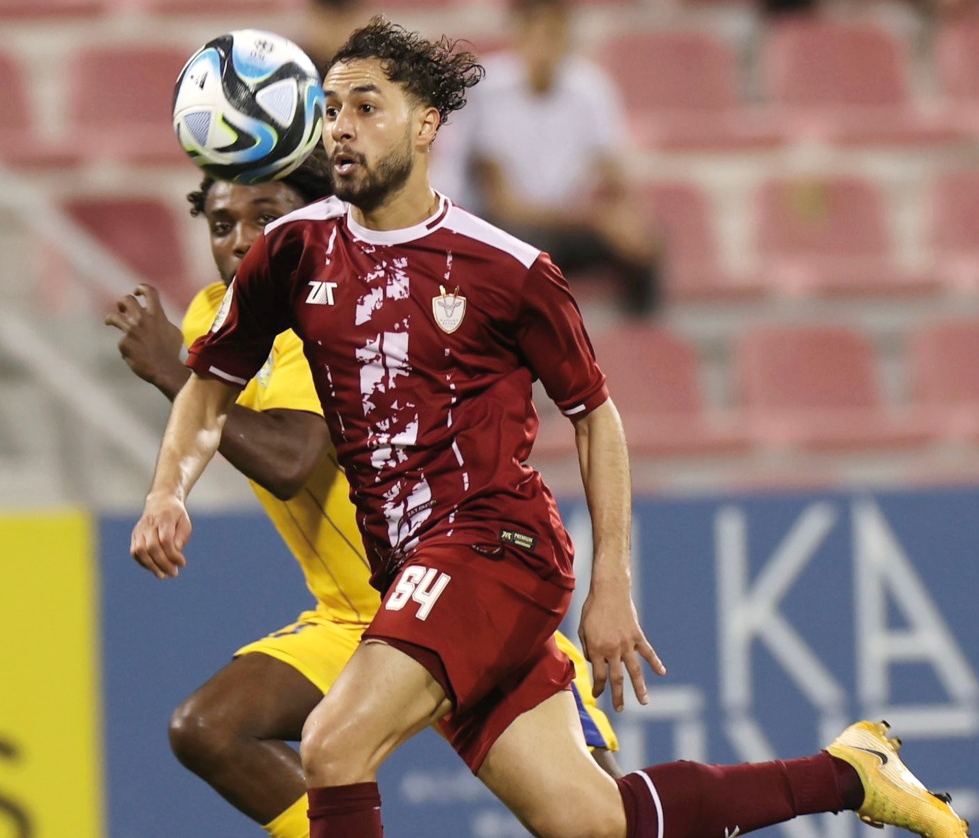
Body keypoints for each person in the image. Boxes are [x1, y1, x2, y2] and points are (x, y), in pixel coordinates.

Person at [130, 17, 970, 838]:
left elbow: (597, 418)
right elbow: (211, 385)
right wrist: (168, 491)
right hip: (407, 575)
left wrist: (612, 588)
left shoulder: (507, 268)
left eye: (367, 108)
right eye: (334, 110)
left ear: (425, 125)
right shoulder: (294, 254)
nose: (342, 129)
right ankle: (850, 773)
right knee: (591, 820)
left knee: (332, 743)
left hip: (493, 549)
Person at [107, 146, 623, 838]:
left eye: (266, 218)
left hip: (455, 595)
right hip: (351, 616)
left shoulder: (318, 317)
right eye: (221, 222)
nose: (239, 241)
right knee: (208, 729)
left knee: (596, 823)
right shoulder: (214, 318)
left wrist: (177, 373)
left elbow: (290, 456)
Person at [441, 0, 662, 317]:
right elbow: (504, 205)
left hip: (565, 224)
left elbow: (613, 173)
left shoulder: (591, 88)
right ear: (518, 35)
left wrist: (629, 220)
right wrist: (598, 221)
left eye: (556, 33)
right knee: (530, 250)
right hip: (504, 230)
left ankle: (645, 345)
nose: (547, 46)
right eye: (539, 33)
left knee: (648, 244)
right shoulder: (484, 92)